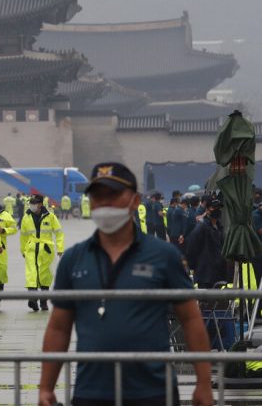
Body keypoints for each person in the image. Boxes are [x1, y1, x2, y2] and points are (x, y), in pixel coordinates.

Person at [38, 162, 213, 406]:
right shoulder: (74, 259)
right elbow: (59, 328)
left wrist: (203, 383)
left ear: (135, 200)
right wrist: (46, 387)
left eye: (113, 195)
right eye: (97, 196)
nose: (105, 203)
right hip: (91, 392)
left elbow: (191, 319)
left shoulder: (164, 256)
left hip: (153, 390)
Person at [20, 194, 63, 312]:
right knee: (31, 274)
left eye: (34, 203)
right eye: (31, 203)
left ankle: (43, 302)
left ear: (40, 204)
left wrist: (60, 248)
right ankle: (33, 300)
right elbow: (23, 236)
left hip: (46, 250)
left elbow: (59, 232)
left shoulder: (50, 216)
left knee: (45, 276)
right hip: (31, 248)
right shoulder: (26, 217)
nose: (32, 205)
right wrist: (23, 249)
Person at [185, 198, 229, 289]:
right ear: (207, 210)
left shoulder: (219, 227)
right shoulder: (201, 228)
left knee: (218, 301)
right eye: (214, 208)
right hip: (205, 274)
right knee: (206, 301)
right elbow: (191, 249)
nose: (217, 210)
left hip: (218, 272)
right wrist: (194, 267)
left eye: (219, 208)